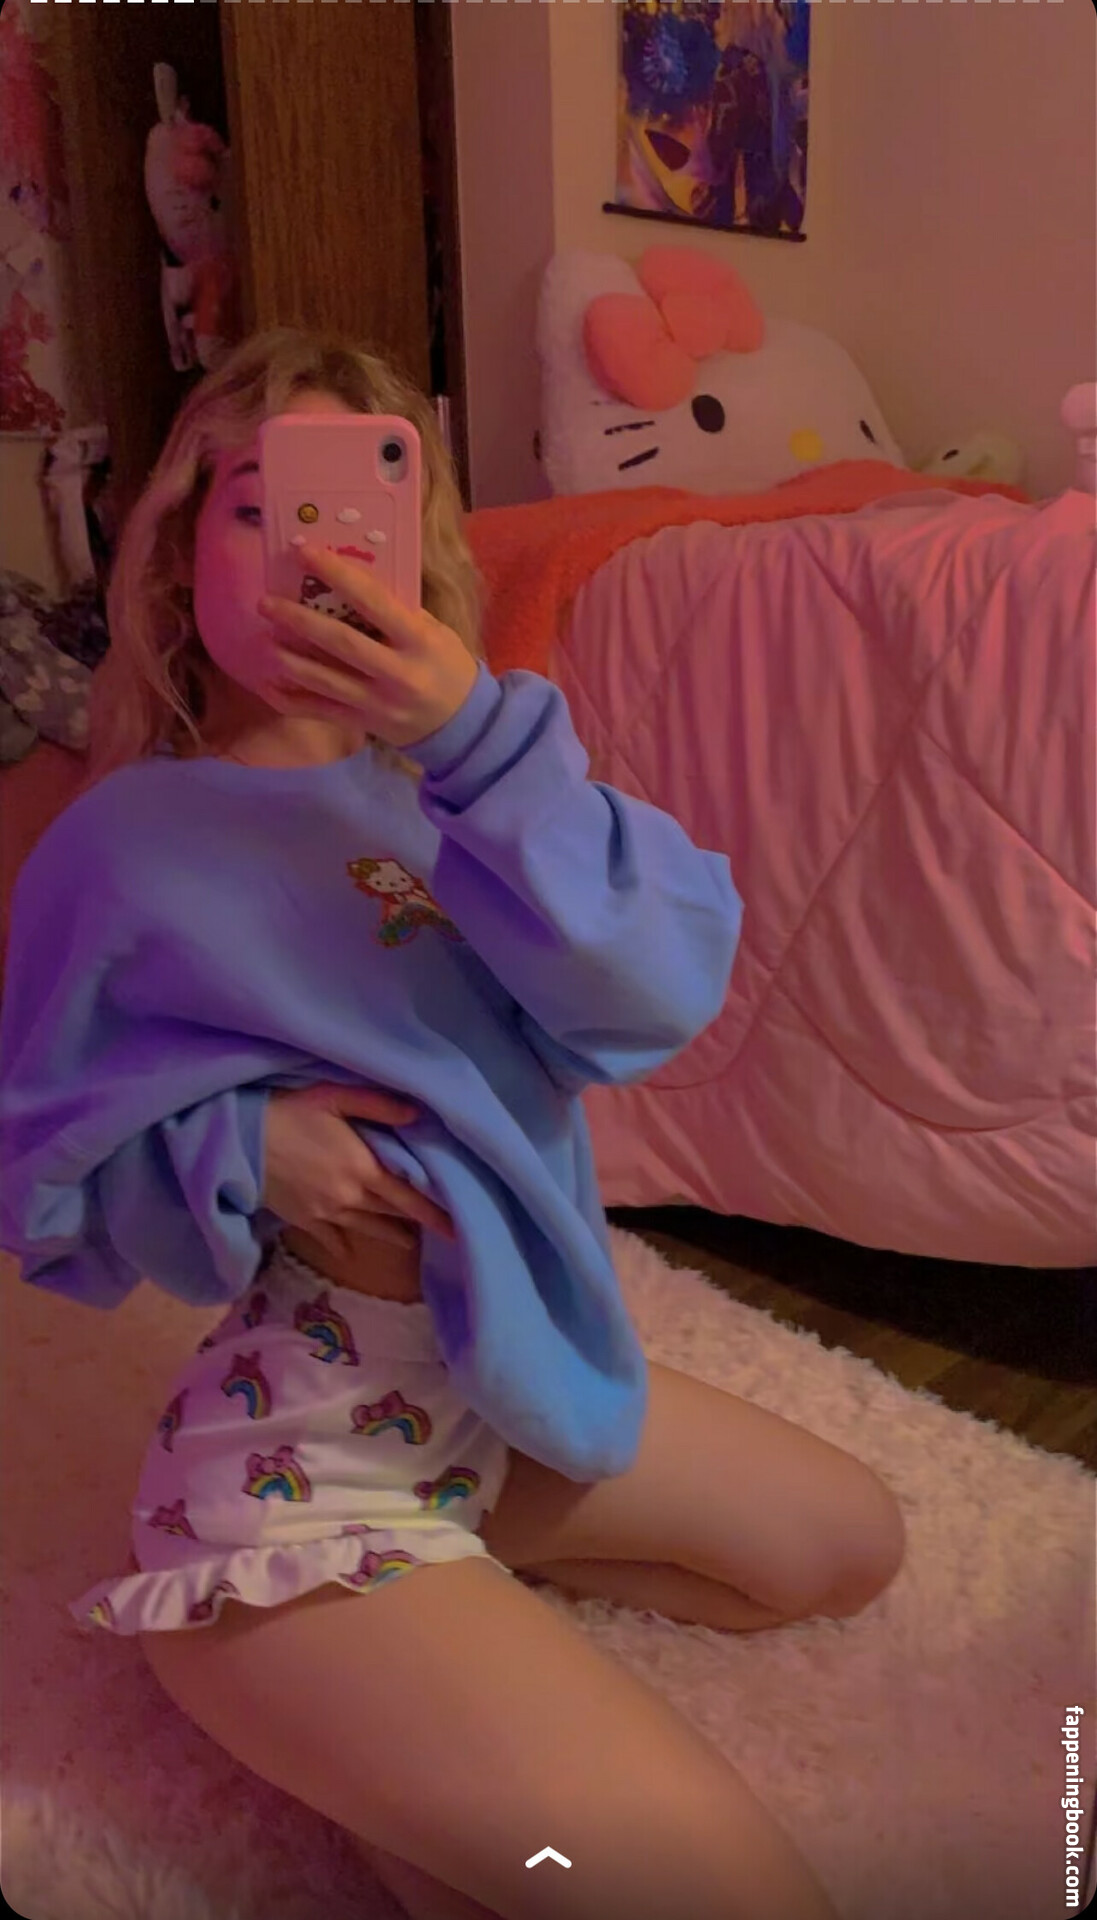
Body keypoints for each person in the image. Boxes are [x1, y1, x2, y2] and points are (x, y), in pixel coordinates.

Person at [0, 330, 904, 1920]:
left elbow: (653, 993)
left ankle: (423, 1701)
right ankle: (334, 1674)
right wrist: (238, 1148)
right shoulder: (127, 840)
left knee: (843, 1549)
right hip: (300, 1467)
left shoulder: (477, 787)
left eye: (362, 508)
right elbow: (36, 1165)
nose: (313, 554)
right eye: (257, 508)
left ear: (420, 555)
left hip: (489, 1393)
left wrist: (475, 740)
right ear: (181, 556)